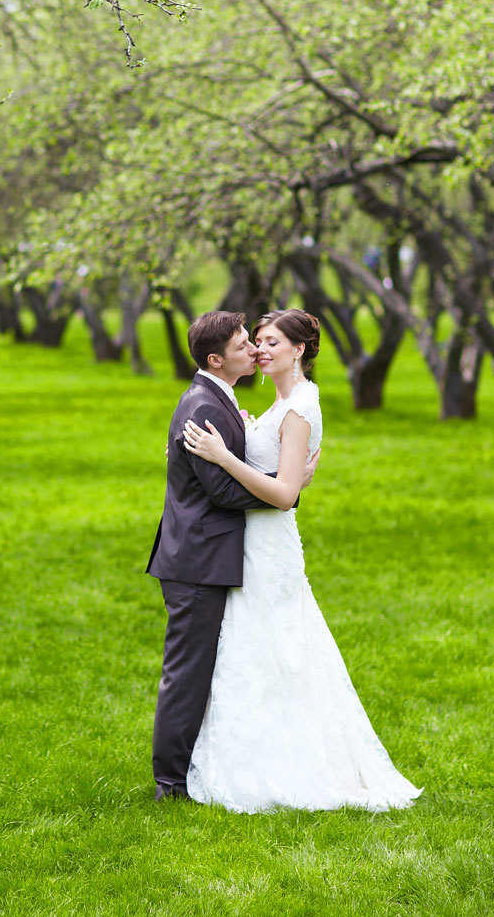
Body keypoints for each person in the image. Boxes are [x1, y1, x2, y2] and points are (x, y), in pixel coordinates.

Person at [179, 308, 421, 813]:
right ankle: (248, 753)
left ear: (298, 350)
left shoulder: (299, 406)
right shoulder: (282, 401)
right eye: (257, 342)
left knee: (281, 647)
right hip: (253, 541)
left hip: (269, 546)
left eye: (270, 342)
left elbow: (286, 493)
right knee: (255, 648)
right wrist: (247, 438)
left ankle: (289, 766)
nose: (260, 350)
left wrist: (226, 457)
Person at [147, 310, 316, 802]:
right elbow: (221, 490)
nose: (255, 351)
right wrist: (288, 491)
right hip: (197, 559)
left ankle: (193, 768)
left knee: (206, 667)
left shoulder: (217, 399)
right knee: (188, 671)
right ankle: (171, 782)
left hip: (204, 553)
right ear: (217, 359)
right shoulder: (204, 405)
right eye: (245, 345)